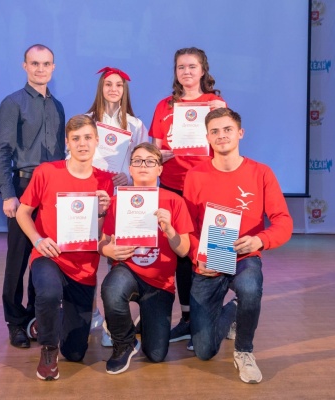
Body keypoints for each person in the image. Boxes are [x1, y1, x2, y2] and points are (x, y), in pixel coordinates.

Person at [183, 108, 293, 383]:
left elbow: (283, 221)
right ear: (207, 137)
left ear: (240, 133)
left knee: (250, 287)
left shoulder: (261, 173)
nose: (221, 136)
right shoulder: (195, 175)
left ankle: (244, 351)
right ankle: (234, 309)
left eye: (227, 129)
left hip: (244, 256)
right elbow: (188, 227)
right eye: (215, 131)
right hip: (209, 261)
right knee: (204, 351)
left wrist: (260, 240)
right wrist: (197, 256)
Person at [16, 115, 113, 381]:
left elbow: (99, 235)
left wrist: (102, 212)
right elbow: (23, 212)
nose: (82, 144)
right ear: (67, 143)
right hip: (49, 255)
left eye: (87, 138)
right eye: (76, 139)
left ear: (97, 141)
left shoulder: (105, 181)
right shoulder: (47, 172)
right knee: (48, 293)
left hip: (83, 267)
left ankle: (48, 321)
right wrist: (38, 240)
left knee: (75, 352)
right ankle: (48, 349)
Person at [148, 47, 228, 348]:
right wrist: (163, 155)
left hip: (208, 185)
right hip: (172, 187)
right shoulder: (164, 106)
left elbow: (226, 143)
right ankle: (187, 319)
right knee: (181, 254)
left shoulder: (215, 104)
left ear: (203, 70)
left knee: (212, 252)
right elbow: (155, 149)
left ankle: (211, 318)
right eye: (181, 67)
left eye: (192, 66)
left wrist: (220, 112)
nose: (187, 72)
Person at [0, 44, 66, 349]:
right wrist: (8, 194)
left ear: (53, 67)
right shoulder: (13, 103)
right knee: (18, 258)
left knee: (44, 254)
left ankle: (37, 318)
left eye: (46, 64)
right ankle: (15, 322)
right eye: (35, 63)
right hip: (24, 188)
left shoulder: (58, 106)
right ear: (25, 66)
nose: (40, 69)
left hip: (52, 191)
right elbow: (3, 151)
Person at [99, 143, 193, 374]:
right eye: (138, 161)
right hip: (127, 271)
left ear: (160, 169)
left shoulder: (174, 201)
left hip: (160, 284)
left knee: (156, 354)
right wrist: (109, 251)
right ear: (130, 168)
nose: (143, 165)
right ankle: (124, 343)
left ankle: (145, 319)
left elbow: (184, 251)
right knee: (112, 289)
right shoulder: (118, 201)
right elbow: (103, 242)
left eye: (150, 161)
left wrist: (169, 230)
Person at [86, 66, 150, 346]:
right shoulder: (87, 120)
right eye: (108, 84)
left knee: (117, 258)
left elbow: (145, 160)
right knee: (88, 257)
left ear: (125, 91)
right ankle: (91, 313)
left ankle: (114, 323)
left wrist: (129, 175)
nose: (113, 89)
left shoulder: (135, 125)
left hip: (123, 197)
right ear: (101, 88)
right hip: (92, 196)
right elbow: (71, 156)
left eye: (119, 85)